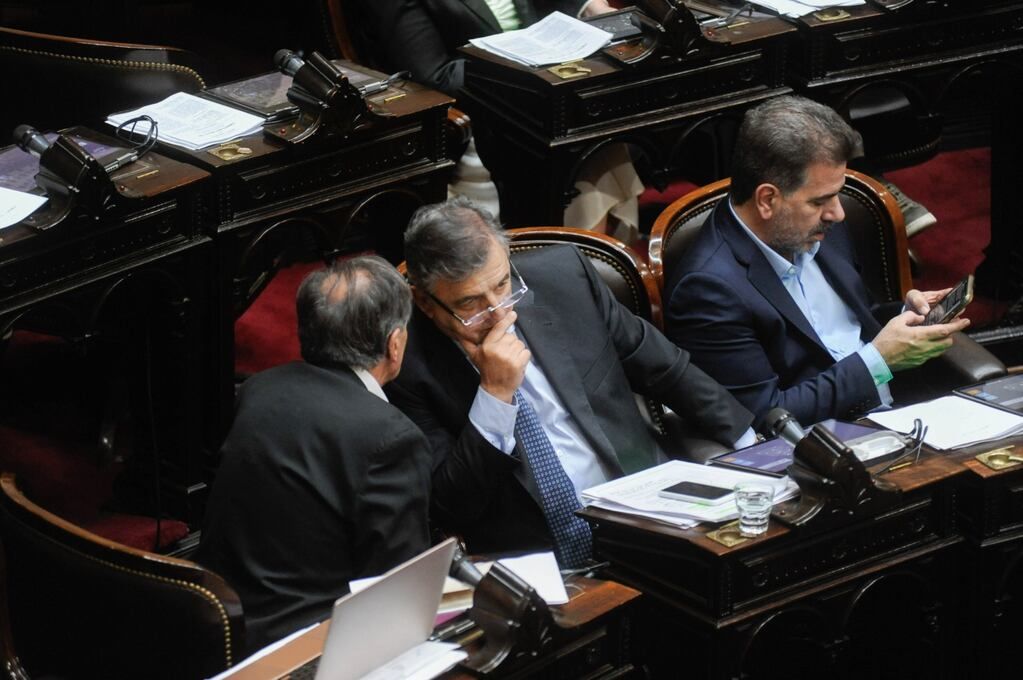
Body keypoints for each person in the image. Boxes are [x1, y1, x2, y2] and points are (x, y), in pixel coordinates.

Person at [385, 197, 755, 568]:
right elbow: (451, 506)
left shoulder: (564, 279)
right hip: (539, 562)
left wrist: (752, 447)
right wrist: (494, 396)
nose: (499, 312)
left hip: (644, 511)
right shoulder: (405, 366)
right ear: (425, 301)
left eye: (502, 284)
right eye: (470, 304)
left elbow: (666, 369)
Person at [663, 95, 970, 432]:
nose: (837, 213)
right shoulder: (708, 288)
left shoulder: (813, 228)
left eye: (836, 194)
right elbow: (765, 416)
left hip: (899, 410)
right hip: (822, 446)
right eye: (820, 200)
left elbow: (850, 324)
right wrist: (879, 362)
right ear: (767, 199)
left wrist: (904, 317)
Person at [195, 256, 432, 654]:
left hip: (221, 622)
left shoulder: (260, 389)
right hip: (311, 645)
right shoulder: (391, 437)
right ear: (395, 344)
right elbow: (396, 595)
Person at [352, 0, 642, 239]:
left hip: (544, 95)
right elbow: (433, 75)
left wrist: (585, 6)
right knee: (579, 150)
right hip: (482, 117)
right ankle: (578, 266)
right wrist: (519, 67)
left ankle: (598, 272)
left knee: (595, 137)